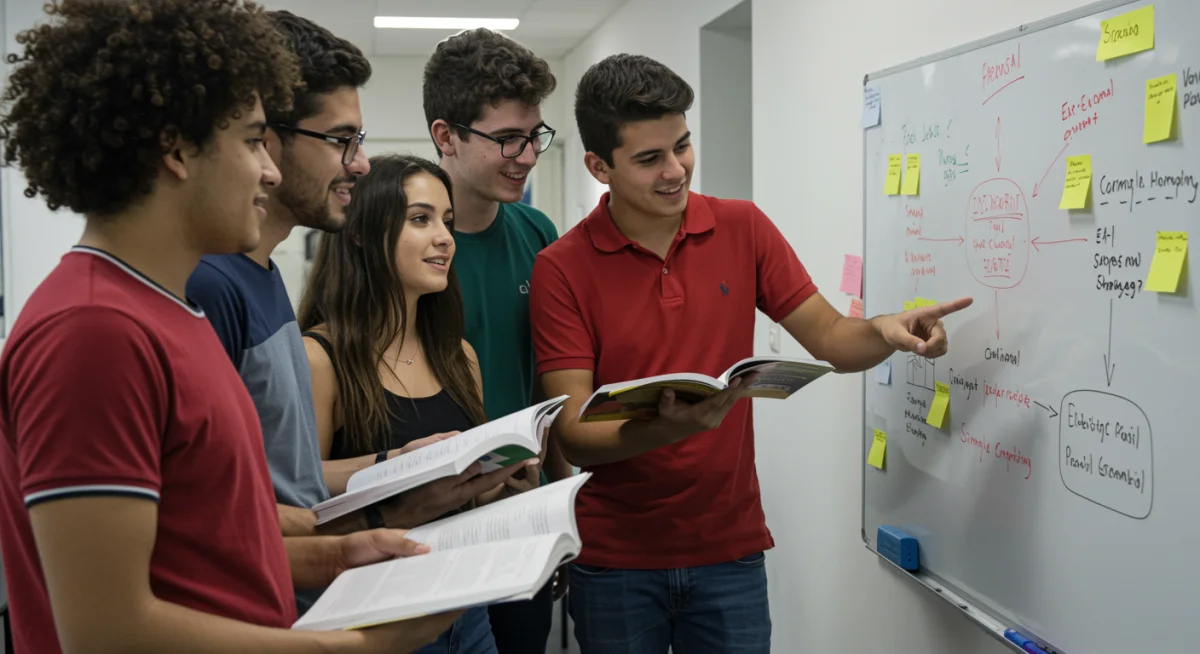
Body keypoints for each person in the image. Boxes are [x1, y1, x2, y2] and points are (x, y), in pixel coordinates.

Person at [0, 1, 460, 652]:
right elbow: (105, 629)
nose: (268, 169)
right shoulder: (93, 330)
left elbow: (199, 542)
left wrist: (338, 555)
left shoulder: (168, 310)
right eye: (250, 141)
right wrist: (357, 647)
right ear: (177, 149)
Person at [530, 53, 973, 653]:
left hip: (729, 552)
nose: (675, 171)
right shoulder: (561, 269)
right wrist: (669, 430)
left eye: (682, 146)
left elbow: (829, 338)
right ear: (598, 166)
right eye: (648, 158)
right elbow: (575, 434)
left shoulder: (743, 228)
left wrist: (886, 331)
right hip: (615, 562)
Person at [184, 12, 515, 618]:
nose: (358, 164)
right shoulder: (210, 288)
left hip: (432, 599)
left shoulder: (262, 281)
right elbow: (202, 528)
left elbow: (278, 497)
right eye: (342, 141)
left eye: (445, 222)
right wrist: (389, 503)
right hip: (325, 606)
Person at [299, 153, 530, 654]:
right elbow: (301, 502)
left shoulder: (459, 357)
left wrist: (507, 485)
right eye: (420, 219)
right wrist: (396, 468)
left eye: (446, 221)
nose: (445, 238)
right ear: (362, 233)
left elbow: (461, 500)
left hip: (464, 612)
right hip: (371, 619)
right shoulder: (319, 358)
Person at [423, 28, 572, 653]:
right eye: (506, 139)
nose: (527, 155)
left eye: (534, 136)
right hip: (433, 524)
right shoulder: (404, 246)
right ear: (446, 137)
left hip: (523, 518)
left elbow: (551, 380)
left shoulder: (538, 233)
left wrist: (561, 504)